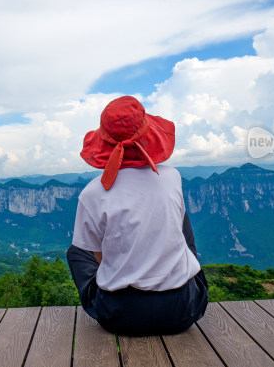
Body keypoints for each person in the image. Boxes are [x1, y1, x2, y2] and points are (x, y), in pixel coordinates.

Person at [66, 95, 208, 336]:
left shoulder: (92, 193)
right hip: (183, 311)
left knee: (77, 251)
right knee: (181, 224)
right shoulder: (171, 177)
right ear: (149, 135)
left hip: (121, 316)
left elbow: (98, 257)